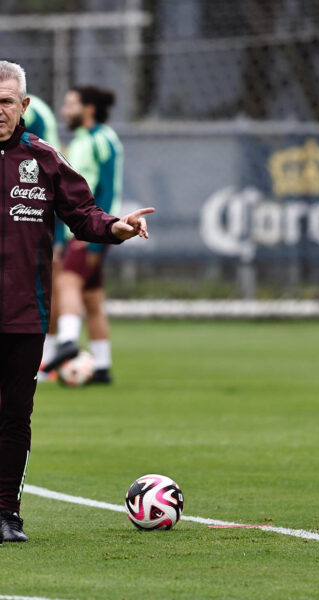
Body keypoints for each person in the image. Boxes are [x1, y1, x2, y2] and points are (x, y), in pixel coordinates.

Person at [0, 60, 154, 542]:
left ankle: (6, 513)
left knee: (13, 418)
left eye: (5, 101)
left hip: (24, 314)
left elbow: (83, 214)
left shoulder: (44, 160)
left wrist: (116, 227)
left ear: (23, 106)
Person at [41, 86, 124, 383]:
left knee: (66, 284)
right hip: (78, 230)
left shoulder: (103, 140)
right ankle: (101, 367)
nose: (65, 111)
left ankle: (66, 342)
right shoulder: (79, 142)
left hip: (91, 230)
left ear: (88, 108)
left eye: (71, 105)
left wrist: (97, 235)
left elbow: (108, 188)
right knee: (91, 297)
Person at [24, 94, 65, 379]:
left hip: (30, 209)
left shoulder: (35, 113)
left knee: (43, 284)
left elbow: (50, 175)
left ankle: (46, 359)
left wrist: (59, 236)